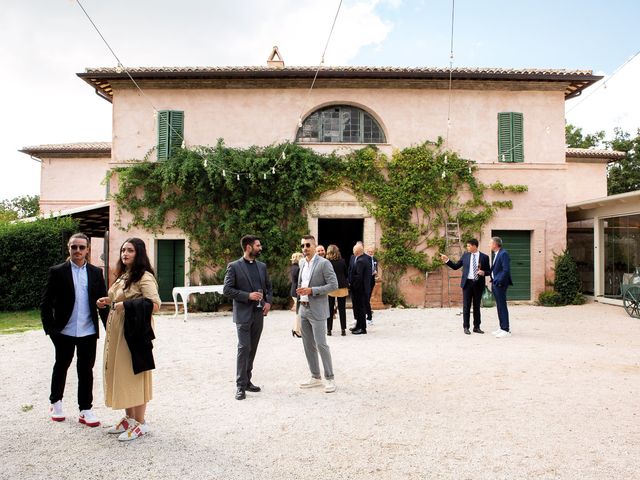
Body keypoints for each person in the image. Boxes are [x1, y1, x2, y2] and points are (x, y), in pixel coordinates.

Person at [96, 237, 161, 441]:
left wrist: (125, 306)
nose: (125, 253)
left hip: (134, 332)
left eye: (130, 250)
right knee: (121, 374)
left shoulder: (144, 276)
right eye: (123, 250)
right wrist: (109, 301)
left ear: (139, 253)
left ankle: (141, 423)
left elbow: (155, 304)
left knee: (134, 373)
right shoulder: (125, 275)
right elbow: (120, 298)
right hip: (118, 332)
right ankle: (129, 418)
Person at [40, 233, 109, 427]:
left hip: (88, 331)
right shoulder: (57, 272)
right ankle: (56, 403)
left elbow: (102, 303)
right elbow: (45, 304)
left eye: (81, 247)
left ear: (87, 250)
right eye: (74, 247)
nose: (77, 251)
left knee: (86, 370)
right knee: (61, 365)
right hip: (64, 331)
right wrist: (51, 330)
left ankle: (85, 409)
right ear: (69, 249)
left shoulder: (96, 273)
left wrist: (108, 328)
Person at [223, 235, 273, 400]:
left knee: (252, 348)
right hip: (243, 314)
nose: (261, 248)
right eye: (258, 245)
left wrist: (268, 302)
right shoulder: (234, 266)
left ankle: (247, 380)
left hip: (259, 314)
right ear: (249, 247)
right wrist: (248, 295)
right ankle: (240, 386)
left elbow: (268, 287)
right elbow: (227, 290)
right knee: (244, 348)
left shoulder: (262, 266)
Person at [296, 235, 339, 393]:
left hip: (318, 309)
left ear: (314, 246)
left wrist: (312, 291)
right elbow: (302, 283)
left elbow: (333, 284)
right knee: (308, 345)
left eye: (307, 245)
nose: (305, 248)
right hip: (304, 308)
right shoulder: (302, 263)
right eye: (302, 246)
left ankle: (330, 378)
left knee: (321, 344)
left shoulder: (324, 263)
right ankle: (315, 376)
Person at [440, 239, 491, 335]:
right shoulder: (465, 256)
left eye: (468, 246)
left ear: (474, 246)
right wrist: (447, 260)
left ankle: (477, 327)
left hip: (478, 284)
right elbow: (455, 266)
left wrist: (483, 272)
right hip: (467, 284)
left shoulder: (484, 257)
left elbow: (489, 271)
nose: (467, 247)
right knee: (466, 306)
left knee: (477, 306)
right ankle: (466, 327)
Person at [489, 236, 513, 338]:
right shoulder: (497, 254)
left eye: (490, 243)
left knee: (502, 305)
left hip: (500, 284)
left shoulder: (503, 253)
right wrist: (493, 279)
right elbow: (496, 270)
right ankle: (502, 327)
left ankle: (506, 329)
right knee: (499, 305)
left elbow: (505, 270)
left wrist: (498, 280)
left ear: (495, 244)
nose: (489, 245)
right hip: (495, 283)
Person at [348, 242, 372, 335]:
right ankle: (358, 325)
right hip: (360, 289)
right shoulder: (361, 259)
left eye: (354, 250)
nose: (353, 251)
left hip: (360, 289)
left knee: (361, 309)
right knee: (357, 308)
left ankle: (362, 328)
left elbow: (358, 277)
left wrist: (352, 285)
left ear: (357, 251)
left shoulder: (361, 261)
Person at [326, 244, 349, 337]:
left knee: (330, 309)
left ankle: (329, 330)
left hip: (331, 286)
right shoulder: (342, 261)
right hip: (342, 286)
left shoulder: (327, 262)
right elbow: (346, 273)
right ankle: (343, 330)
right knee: (342, 309)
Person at [289, 252, 303, 338]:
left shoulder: (293, 267)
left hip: (294, 291)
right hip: (296, 291)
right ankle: (296, 330)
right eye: (301, 257)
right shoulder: (297, 268)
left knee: (299, 311)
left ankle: (295, 329)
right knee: (299, 312)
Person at [365, 245, 378, 326]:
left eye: (372, 252)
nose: (370, 253)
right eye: (369, 252)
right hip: (366, 281)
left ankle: (368, 316)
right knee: (366, 299)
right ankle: (368, 316)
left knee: (368, 298)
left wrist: (376, 271)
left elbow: (376, 267)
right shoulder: (365, 259)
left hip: (372, 280)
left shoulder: (375, 259)